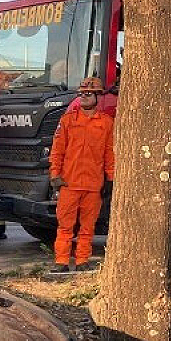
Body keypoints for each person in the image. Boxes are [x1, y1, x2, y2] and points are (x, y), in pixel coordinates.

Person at [49, 77, 115, 273]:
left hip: (93, 185)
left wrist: (110, 179)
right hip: (69, 183)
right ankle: (61, 261)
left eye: (88, 93)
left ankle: (82, 261)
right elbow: (57, 150)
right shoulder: (68, 121)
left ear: (98, 97)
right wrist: (55, 174)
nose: (84, 97)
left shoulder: (106, 123)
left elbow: (109, 153)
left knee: (88, 227)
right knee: (65, 226)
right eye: (81, 94)